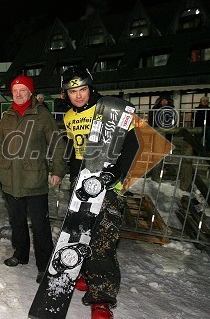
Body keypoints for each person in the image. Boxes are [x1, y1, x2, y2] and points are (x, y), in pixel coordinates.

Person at [61, 66, 139, 319]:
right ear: (66, 94)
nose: (79, 95)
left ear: (90, 88)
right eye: (73, 91)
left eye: (83, 89)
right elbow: (76, 150)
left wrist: (114, 175)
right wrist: (75, 178)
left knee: (103, 240)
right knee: (82, 233)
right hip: (83, 183)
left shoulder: (109, 109)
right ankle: (89, 275)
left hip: (109, 186)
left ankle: (102, 297)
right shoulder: (68, 117)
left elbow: (132, 144)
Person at [0, 75, 67, 283]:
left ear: (30, 93)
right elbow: (0, 144)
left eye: (22, 90)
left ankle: (45, 266)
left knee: (40, 225)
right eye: (15, 91)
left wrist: (57, 171)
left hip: (33, 179)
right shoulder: (7, 116)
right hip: (10, 178)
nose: (18, 94)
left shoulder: (42, 115)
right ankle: (21, 254)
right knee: (17, 221)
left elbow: (57, 145)